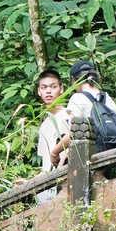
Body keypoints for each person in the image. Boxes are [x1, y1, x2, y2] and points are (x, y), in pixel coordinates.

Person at [66, 60, 116, 154]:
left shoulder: (77, 98)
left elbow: (72, 134)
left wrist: (54, 153)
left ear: (74, 80)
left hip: (92, 155)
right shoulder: (107, 97)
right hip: (114, 150)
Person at [34, 67, 70, 203]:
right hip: (49, 187)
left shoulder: (68, 115)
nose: (48, 91)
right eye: (44, 87)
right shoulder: (44, 125)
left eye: (53, 87)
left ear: (61, 88)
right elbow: (46, 166)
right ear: (39, 91)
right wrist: (30, 182)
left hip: (67, 182)